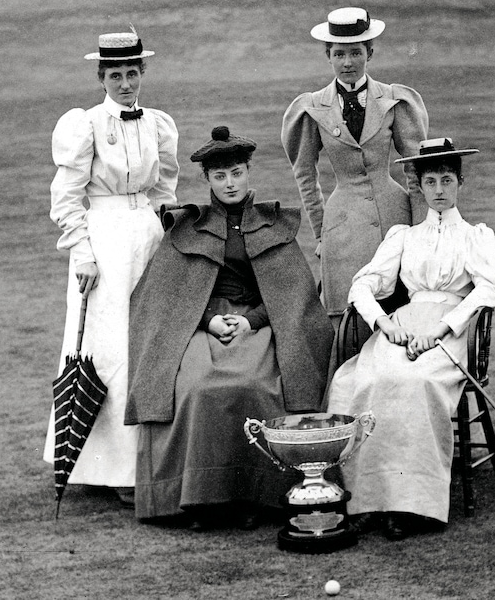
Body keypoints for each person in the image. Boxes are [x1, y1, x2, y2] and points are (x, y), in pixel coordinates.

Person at [125, 126, 333, 530]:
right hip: (202, 327)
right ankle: (204, 502)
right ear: (207, 181)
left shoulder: (273, 225)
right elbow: (167, 295)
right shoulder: (187, 227)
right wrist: (209, 320)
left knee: (257, 386)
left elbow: (292, 295)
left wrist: (251, 320)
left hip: (258, 324)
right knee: (199, 389)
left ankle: (256, 495)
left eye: (236, 173)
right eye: (220, 176)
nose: (230, 183)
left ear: (248, 172)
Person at [326, 138, 495, 540]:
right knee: (369, 381)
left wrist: (441, 329)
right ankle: (366, 500)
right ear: (420, 186)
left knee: (416, 384)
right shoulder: (405, 236)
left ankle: (412, 505)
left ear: (460, 182)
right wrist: (384, 324)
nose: (440, 190)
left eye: (447, 179)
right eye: (431, 181)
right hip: (403, 324)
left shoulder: (476, 236)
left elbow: (485, 291)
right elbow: (362, 285)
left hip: (450, 330)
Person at [43, 29, 179, 506]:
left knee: (149, 342)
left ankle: (147, 461)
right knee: (110, 347)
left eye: (132, 73)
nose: (125, 83)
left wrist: (172, 235)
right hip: (103, 242)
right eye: (116, 74)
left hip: (147, 235)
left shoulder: (158, 124)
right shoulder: (85, 124)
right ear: (101, 77)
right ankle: (109, 468)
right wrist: (81, 251)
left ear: (143, 73)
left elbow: (164, 189)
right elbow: (67, 194)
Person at [281, 7, 429, 323]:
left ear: (369, 53)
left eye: (355, 53)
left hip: (395, 220)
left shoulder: (393, 100)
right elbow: (305, 173)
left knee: (403, 313)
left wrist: (420, 229)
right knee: (348, 320)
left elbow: (415, 169)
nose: (347, 62)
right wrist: (321, 232)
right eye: (339, 54)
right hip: (342, 228)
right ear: (328, 56)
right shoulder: (313, 106)